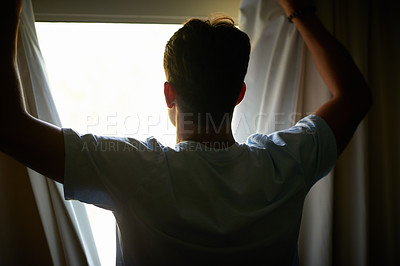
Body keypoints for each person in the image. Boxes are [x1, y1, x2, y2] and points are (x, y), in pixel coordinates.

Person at [1, 0, 371, 265]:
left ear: (169, 93)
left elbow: (9, 126)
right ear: (239, 94)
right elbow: (354, 96)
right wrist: (299, 11)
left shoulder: (134, 170)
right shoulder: (285, 164)